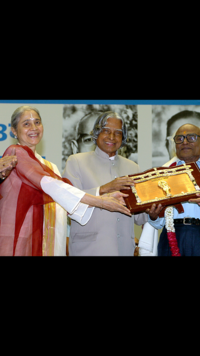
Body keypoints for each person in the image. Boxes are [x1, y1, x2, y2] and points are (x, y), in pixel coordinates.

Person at [0, 106, 131, 256]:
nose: (34, 128)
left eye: (37, 122)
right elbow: (54, 187)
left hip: (47, 242)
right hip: (20, 237)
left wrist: (104, 197)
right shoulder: (15, 153)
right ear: (14, 131)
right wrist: (101, 201)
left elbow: (67, 200)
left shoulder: (51, 167)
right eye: (26, 124)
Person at [63, 111, 147, 256]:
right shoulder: (76, 161)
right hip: (88, 250)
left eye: (118, 133)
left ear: (123, 137)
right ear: (95, 133)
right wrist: (104, 189)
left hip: (125, 249)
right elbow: (68, 203)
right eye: (106, 131)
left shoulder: (133, 167)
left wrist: (151, 213)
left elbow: (139, 218)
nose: (112, 137)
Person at [145, 123, 200, 256]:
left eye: (191, 137)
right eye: (179, 138)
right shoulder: (163, 173)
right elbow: (158, 223)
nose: (185, 142)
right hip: (172, 236)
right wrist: (153, 216)